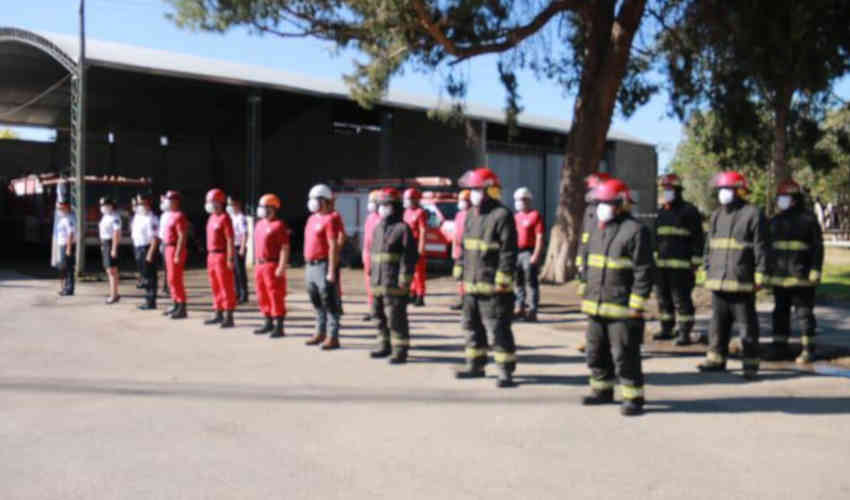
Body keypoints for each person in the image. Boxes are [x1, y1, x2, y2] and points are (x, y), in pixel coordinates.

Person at [578, 178, 653, 416]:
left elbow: (644, 270)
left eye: (606, 203)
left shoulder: (636, 230)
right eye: (599, 202)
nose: (601, 207)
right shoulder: (595, 229)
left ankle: (633, 397)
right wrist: (584, 288)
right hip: (596, 305)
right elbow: (588, 264)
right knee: (595, 351)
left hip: (622, 308)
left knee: (624, 354)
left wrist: (637, 304)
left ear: (621, 204)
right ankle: (602, 390)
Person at [698, 171, 769, 379]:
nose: (722, 193)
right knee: (717, 325)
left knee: (747, 327)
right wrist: (706, 268)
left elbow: (761, 247)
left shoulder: (753, 214)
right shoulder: (717, 215)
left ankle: (750, 364)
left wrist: (761, 274)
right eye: (721, 190)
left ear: (739, 191)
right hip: (718, 281)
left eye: (726, 189)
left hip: (741, 281)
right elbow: (709, 246)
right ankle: (716, 360)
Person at [453, 167, 518, 388]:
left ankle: (505, 371)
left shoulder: (502, 215)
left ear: (490, 190)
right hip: (471, 286)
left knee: (498, 329)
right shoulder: (470, 215)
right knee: (471, 327)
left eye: (477, 190)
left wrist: (503, 279)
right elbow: (464, 247)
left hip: (494, 288)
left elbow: (508, 252)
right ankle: (475, 365)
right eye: (471, 190)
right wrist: (459, 271)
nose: (472, 194)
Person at [766, 179, 824, 364]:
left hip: (802, 277)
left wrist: (815, 270)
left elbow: (817, 247)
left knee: (804, 315)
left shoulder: (808, 219)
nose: (780, 200)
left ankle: (808, 350)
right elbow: (769, 249)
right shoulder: (775, 221)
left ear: (794, 199)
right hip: (779, 278)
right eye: (779, 197)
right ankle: (778, 348)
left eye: (784, 197)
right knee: (779, 314)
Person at [652, 173, 704, 345]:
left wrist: (695, 262)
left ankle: (684, 333)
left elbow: (698, 238)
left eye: (669, 189)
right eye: (664, 189)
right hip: (662, 267)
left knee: (681, 300)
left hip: (682, 267)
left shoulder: (689, 211)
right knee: (663, 299)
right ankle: (666, 328)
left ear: (677, 191)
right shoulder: (661, 213)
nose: (665, 192)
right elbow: (656, 239)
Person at [368, 187, 419, 364]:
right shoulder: (378, 227)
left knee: (396, 318)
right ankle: (384, 344)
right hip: (377, 282)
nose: (382, 208)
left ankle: (400, 350)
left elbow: (409, 256)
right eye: (380, 204)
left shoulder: (402, 229)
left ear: (395, 206)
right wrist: (370, 275)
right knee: (377, 315)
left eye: (386, 204)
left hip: (394, 284)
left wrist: (405, 279)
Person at [303, 184, 342, 350]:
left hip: (323, 264)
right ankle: (320, 332)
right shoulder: (311, 219)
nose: (312, 203)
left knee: (329, 300)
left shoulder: (330, 219)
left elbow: (333, 246)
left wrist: (332, 270)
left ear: (324, 201)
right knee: (316, 299)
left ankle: (333, 336)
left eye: (316, 199)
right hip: (310, 265)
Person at [575, 172, 611, 353]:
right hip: (589, 265)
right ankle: (591, 340)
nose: (590, 192)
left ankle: (610, 342)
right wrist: (580, 261)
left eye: (593, 188)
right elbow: (584, 238)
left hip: (605, 267)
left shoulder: (607, 210)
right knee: (590, 304)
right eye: (589, 189)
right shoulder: (590, 210)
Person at [252, 193, 290, 338]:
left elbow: (285, 247)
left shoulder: (278, 225)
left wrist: (281, 266)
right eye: (262, 207)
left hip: (272, 265)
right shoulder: (259, 224)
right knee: (262, 294)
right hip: (260, 265)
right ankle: (268, 322)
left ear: (273, 208)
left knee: (275, 295)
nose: (262, 209)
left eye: (265, 207)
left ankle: (279, 325)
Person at [203, 188, 237, 328]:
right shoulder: (211, 218)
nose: (209, 204)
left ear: (219, 202)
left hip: (222, 255)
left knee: (225, 286)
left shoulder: (225, 218)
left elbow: (230, 239)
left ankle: (229, 315)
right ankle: (218, 312)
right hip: (211, 255)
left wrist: (230, 258)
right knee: (215, 285)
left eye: (212, 201)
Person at [513, 187, 545, 322]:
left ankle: (532, 310)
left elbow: (540, 237)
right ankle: (519, 307)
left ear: (527, 200)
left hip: (529, 252)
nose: (518, 202)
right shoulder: (516, 216)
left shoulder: (535, 215)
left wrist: (536, 255)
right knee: (518, 282)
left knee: (531, 283)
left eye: (520, 200)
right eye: (517, 200)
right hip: (517, 252)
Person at [162, 190, 189, 319]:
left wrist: (177, 253)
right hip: (168, 248)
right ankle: (175, 303)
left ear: (176, 202)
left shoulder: (179, 216)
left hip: (174, 249)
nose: (167, 202)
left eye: (169, 200)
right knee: (170, 279)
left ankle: (182, 307)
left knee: (175, 278)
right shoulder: (170, 215)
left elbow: (182, 236)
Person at [132, 194, 160, 310]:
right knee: (144, 276)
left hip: (147, 248)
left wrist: (150, 254)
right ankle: (147, 299)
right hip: (138, 248)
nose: (141, 206)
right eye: (139, 203)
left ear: (148, 204)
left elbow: (155, 238)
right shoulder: (138, 216)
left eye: (143, 203)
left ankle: (151, 301)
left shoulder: (152, 218)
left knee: (150, 276)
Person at [403, 187, 428, 307]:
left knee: (419, 273)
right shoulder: (406, 212)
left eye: (409, 199)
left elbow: (423, 231)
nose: (407, 201)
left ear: (415, 199)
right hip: (407, 246)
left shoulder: (420, 212)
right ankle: (412, 293)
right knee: (410, 272)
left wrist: (421, 247)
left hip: (417, 245)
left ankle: (420, 295)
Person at [361, 190, 381, 321]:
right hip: (368, 256)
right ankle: (372, 309)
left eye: (373, 202)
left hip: (377, 257)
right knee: (369, 286)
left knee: (377, 285)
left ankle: (378, 311)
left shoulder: (381, 219)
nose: (370, 204)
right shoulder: (370, 217)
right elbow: (366, 239)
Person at [449, 189, 471, 311]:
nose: (461, 203)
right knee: (459, 276)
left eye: (464, 200)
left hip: (469, 251)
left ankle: (468, 300)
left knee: (468, 276)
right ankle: (462, 298)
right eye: (461, 200)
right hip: (458, 251)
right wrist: (453, 249)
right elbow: (455, 233)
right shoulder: (459, 215)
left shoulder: (473, 213)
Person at [98, 197, 122, 304]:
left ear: (111, 205)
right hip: (105, 243)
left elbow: (116, 233)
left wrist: (114, 248)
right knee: (109, 270)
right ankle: (114, 293)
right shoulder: (105, 216)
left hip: (111, 243)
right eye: (102, 205)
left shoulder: (115, 217)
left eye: (105, 205)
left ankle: (114, 295)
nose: (103, 207)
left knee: (112, 270)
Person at [227, 196, 250, 304]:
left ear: (238, 205)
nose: (231, 207)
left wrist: (242, 247)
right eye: (230, 205)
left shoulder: (241, 217)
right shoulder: (231, 217)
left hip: (238, 246)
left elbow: (245, 233)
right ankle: (236, 293)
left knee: (240, 272)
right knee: (234, 272)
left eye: (232, 204)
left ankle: (243, 294)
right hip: (232, 246)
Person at [55, 200, 76, 296]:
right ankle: (65, 287)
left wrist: (68, 248)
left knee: (68, 267)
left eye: (61, 208)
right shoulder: (62, 218)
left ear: (66, 207)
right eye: (58, 208)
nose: (59, 210)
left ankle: (69, 288)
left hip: (67, 245)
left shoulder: (69, 218)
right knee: (64, 267)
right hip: (62, 245)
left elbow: (70, 233)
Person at [130, 195, 145, 289]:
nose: (134, 207)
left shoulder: (143, 216)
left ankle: (145, 280)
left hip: (143, 244)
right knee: (139, 263)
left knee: (144, 264)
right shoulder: (135, 216)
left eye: (136, 204)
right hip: (136, 242)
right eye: (133, 205)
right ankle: (142, 279)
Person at [158, 195, 172, 296]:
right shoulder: (163, 215)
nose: (162, 204)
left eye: (164, 201)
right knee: (165, 267)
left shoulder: (173, 215)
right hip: (163, 242)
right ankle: (166, 286)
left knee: (170, 268)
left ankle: (169, 287)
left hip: (170, 244)